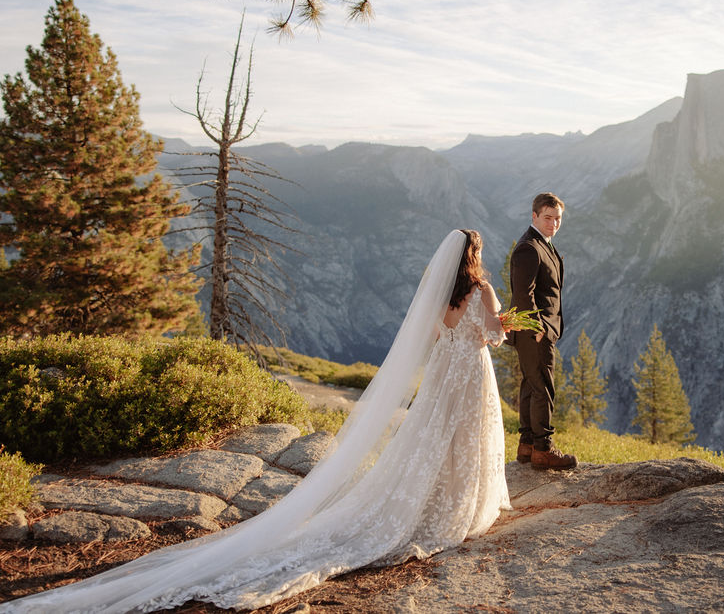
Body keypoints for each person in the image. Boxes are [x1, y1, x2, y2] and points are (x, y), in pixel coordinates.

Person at [3, 229, 511, 613]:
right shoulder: (484, 292)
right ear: (477, 256)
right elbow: (490, 336)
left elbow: (430, 342)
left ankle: (441, 500)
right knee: (468, 436)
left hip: (445, 375)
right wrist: (507, 324)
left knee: (432, 438)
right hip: (471, 377)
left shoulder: (442, 297)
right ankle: (460, 506)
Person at [509, 193, 577, 470]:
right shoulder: (529, 248)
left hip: (535, 330)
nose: (553, 223)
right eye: (547, 217)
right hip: (535, 331)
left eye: (557, 218)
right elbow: (524, 293)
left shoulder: (543, 244)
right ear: (534, 216)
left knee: (531, 385)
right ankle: (543, 449)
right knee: (543, 388)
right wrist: (538, 327)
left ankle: (527, 446)